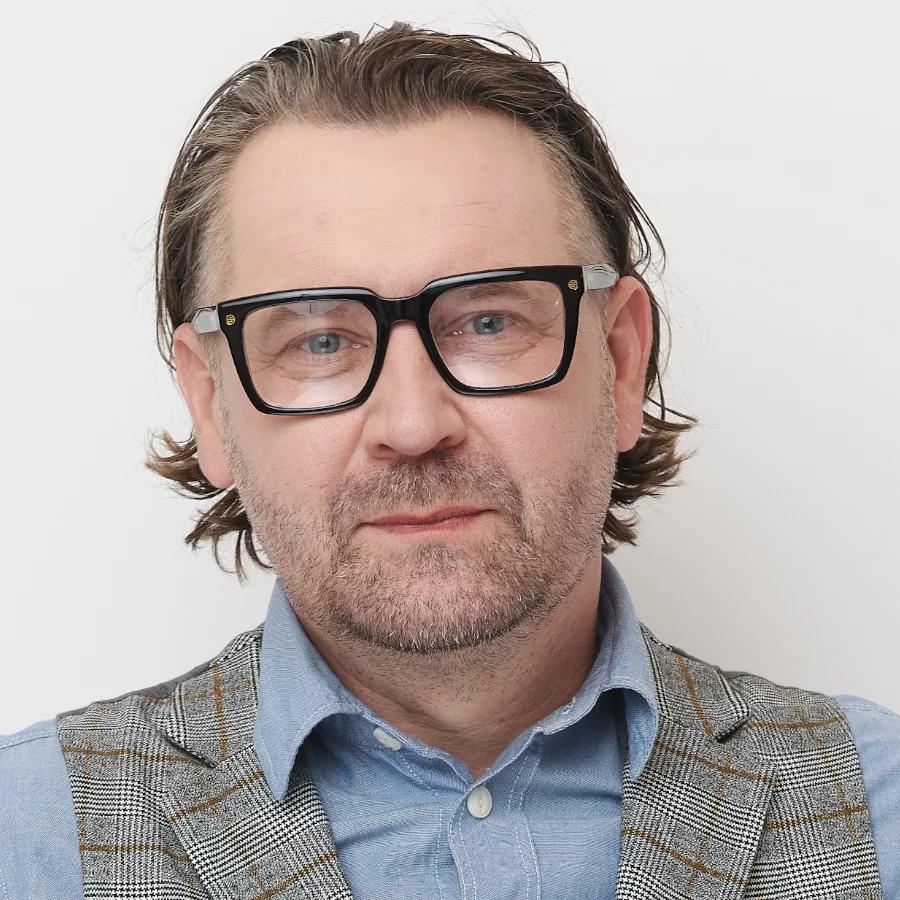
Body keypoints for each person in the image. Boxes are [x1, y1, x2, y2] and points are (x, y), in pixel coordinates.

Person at [1, 22, 897, 899]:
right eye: (319, 342)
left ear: (622, 362)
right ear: (209, 401)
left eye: (489, 322)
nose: (413, 423)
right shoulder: (27, 841)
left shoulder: (879, 810)